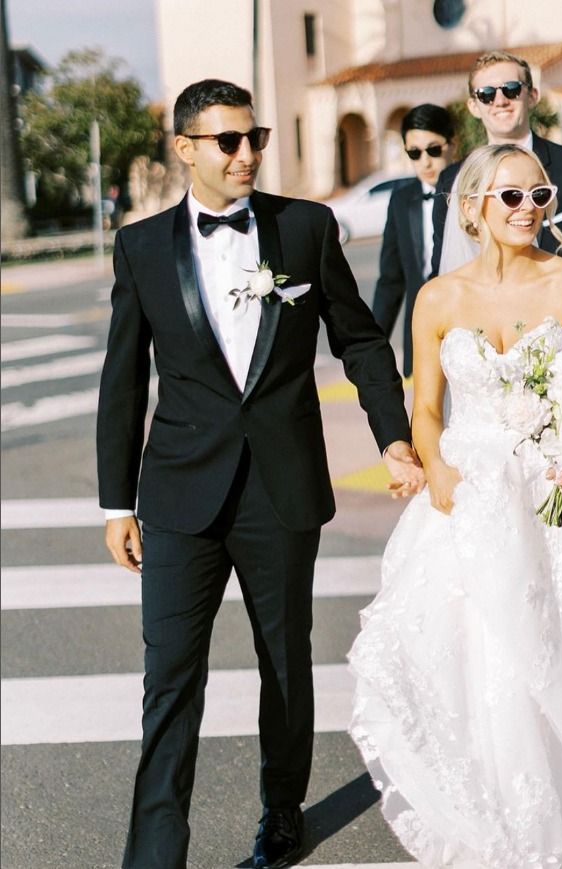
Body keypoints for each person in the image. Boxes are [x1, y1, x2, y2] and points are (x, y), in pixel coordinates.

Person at [96, 78, 424, 869]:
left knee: (284, 661)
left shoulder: (305, 228)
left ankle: (283, 809)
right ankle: (152, 853)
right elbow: (122, 381)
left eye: (256, 138)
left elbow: (362, 339)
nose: (247, 155)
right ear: (185, 149)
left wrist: (393, 438)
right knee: (170, 678)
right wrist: (117, 502)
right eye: (228, 142)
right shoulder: (140, 248)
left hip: (280, 487)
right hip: (178, 493)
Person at [349, 143, 562, 868]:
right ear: (474, 208)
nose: (528, 210)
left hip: (556, 501)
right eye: (511, 197)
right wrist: (433, 464)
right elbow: (424, 406)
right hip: (470, 496)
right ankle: (500, 816)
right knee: (482, 658)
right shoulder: (438, 298)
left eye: (540, 196)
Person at [430, 51, 562, 309]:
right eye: (487, 94)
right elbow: (444, 272)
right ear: (473, 106)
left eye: (512, 89)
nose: (500, 100)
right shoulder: (453, 181)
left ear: (532, 95)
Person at [372, 104, 455, 377]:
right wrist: (372, 346)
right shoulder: (400, 200)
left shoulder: (476, 194)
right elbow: (391, 279)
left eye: (433, 150)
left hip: (470, 328)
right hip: (421, 338)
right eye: (414, 153)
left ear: (452, 145)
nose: (425, 162)